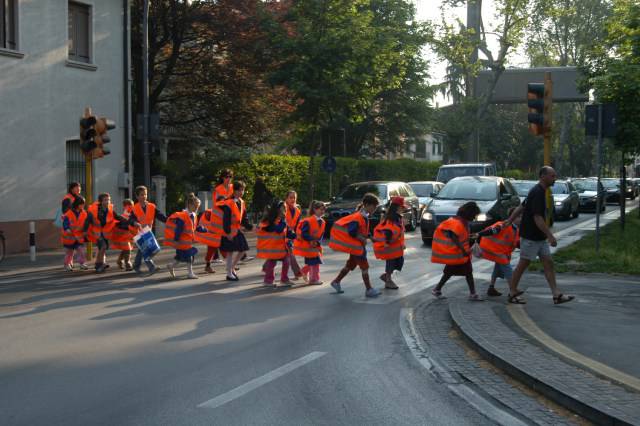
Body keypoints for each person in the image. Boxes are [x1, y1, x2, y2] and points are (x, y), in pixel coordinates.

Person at [505, 166, 574, 305]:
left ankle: (556, 294)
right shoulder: (537, 192)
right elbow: (537, 218)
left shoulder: (540, 191)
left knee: (548, 263)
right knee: (523, 264)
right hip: (531, 236)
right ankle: (512, 292)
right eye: (552, 176)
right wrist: (550, 235)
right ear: (543, 176)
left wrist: (509, 220)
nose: (554, 179)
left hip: (539, 237)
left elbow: (521, 207)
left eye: (555, 176)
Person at [329, 193, 381, 298]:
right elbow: (352, 231)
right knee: (365, 267)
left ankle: (336, 281)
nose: (375, 209)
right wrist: (361, 238)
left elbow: (363, 230)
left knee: (350, 265)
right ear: (366, 205)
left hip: (356, 248)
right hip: (358, 248)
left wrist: (370, 237)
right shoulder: (358, 217)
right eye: (373, 206)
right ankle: (369, 289)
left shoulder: (363, 216)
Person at [431, 201, 483, 301]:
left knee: (452, 273)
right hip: (458, 254)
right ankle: (473, 294)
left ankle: (437, 289)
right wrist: (463, 250)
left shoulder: (459, 221)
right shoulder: (458, 223)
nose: (474, 218)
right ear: (469, 214)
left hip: (459, 254)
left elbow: (458, 235)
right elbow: (454, 236)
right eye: (473, 215)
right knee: (466, 273)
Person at [87, 193, 140, 273]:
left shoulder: (110, 210)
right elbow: (87, 221)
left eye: (109, 200)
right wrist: (84, 230)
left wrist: (132, 223)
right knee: (103, 247)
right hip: (97, 233)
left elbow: (119, 217)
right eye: (105, 200)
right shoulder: (95, 210)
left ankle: (99, 264)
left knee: (103, 248)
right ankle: (99, 265)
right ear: (101, 201)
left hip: (105, 233)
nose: (108, 201)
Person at [477, 207, 521, 297]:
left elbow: (515, 243)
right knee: (508, 270)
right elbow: (493, 230)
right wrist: (479, 234)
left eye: (522, 216)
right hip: (494, 250)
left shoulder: (515, 229)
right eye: (518, 216)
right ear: (511, 217)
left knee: (497, 269)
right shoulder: (504, 224)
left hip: (500, 251)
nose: (521, 219)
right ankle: (513, 290)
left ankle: (491, 288)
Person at [219, 181, 253, 281]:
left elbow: (244, 218)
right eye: (239, 190)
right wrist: (227, 232)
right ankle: (229, 274)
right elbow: (226, 219)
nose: (241, 192)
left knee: (243, 249)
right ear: (234, 191)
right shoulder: (229, 202)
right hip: (229, 231)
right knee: (230, 253)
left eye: (243, 190)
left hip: (236, 230)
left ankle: (231, 267)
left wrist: (250, 227)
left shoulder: (241, 202)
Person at [130, 185, 168, 274]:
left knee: (143, 250)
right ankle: (151, 267)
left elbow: (160, 216)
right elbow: (131, 219)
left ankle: (136, 265)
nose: (144, 196)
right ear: (137, 196)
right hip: (138, 232)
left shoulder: (151, 206)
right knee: (145, 249)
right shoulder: (134, 208)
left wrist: (168, 220)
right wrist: (135, 223)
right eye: (142, 195)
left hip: (148, 232)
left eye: (145, 194)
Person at [373, 196, 408, 290]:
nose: (403, 209)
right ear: (397, 207)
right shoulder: (390, 219)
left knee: (398, 262)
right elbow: (388, 231)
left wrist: (402, 243)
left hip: (396, 246)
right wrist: (388, 242)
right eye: (402, 207)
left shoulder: (397, 218)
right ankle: (388, 280)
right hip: (389, 246)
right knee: (391, 262)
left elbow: (399, 232)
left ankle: (386, 277)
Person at [165, 193, 202, 279]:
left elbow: (194, 227)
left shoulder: (193, 215)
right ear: (189, 205)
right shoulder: (183, 215)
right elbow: (179, 228)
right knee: (189, 257)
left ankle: (171, 266)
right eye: (195, 206)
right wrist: (176, 238)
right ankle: (190, 273)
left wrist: (202, 229)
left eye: (198, 207)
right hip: (182, 242)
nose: (197, 208)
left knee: (180, 258)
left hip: (186, 242)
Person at [256, 201, 290, 287]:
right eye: (283, 208)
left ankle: (284, 279)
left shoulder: (280, 220)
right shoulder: (270, 221)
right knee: (272, 263)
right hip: (272, 249)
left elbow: (287, 232)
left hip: (279, 248)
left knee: (286, 261)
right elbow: (278, 230)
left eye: (286, 208)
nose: (285, 210)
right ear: (277, 210)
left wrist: (294, 236)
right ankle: (268, 281)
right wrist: (284, 222)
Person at [293, 200, 326, 285]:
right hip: (308, 246)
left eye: (324, 210)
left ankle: (304, 272)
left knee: (313, 262)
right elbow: (304, 233)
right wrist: (311, 240)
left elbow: (321, 234)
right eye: (321, 209)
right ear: (315, 210)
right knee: (315, 262)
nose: (322, 211)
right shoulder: (308, 221)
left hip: (315, 246)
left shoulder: (323, 222)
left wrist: (318, 242)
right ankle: (313, 280)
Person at [211, 169, 234, 264]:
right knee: (218, 237)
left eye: (230, 177)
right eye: (226, 177)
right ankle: (216, 257)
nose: (228, 179)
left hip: (229, 216)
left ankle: (241, 255)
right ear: (222, 178)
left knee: (225, 236)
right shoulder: (218, 189)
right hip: (219, 216)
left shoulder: (233, 187)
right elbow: (216, 203)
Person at [61, 196, 89, 271]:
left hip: (79, 236)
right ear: (77, 204)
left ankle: (82, 263)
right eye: (82, 204)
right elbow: (65, 223)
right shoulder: (69, 213)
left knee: (81, 250)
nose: (83, 205)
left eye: (83, 204)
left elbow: (86, 223)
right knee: (69, 253)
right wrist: (67, 229)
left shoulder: (84, 213)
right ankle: (67, 265)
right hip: (69, 237)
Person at [196, 205, 223, 274]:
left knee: (215, 251)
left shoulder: (219, 212)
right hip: (212, 236)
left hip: (217, 235)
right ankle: (231, 266)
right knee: (219, 250)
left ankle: (208, 266)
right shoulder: (211, 212)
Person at [283, 190, 304, 280]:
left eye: (294, 197)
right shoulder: (283, 208)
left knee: (281, 254)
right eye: (290, 197)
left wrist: (298, 235)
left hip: (290, 235)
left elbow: (298, 225)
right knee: (290, 253)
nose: (293, 199)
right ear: (286, 199)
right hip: (282, 234)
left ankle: (266, 267)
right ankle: (298, 272)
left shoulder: (297, 211)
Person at [111, 199, 136, 271]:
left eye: (132, 205)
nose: (131, 207)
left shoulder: (132, 214)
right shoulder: (124, 215)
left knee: (126, 249)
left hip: (129, 235)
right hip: (123, 236)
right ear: (124, 206)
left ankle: (119, 261)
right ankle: (127, 263)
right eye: (129, 205)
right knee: (127, 250)